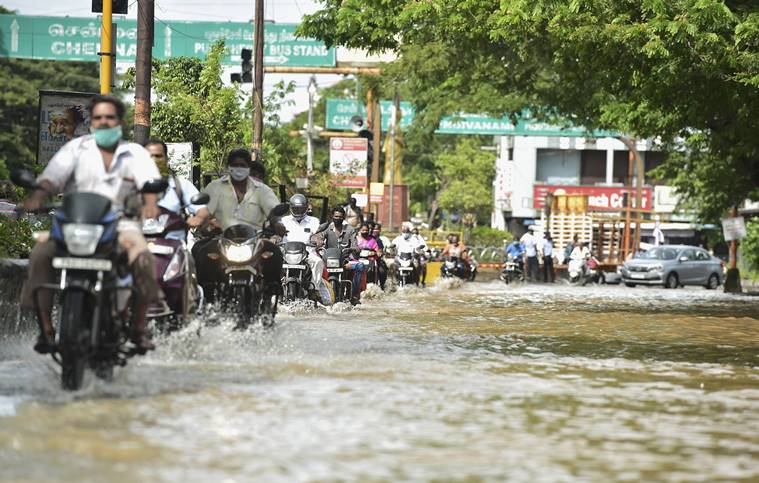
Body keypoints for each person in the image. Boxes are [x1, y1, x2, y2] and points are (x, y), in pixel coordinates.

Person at [21, 95, 162, 352]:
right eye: (98, 117)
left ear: (120, 121)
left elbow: (149, 183)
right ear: (91, 122)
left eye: (110, 117)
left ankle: (139, 328)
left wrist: (150, 202)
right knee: (41, 254)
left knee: (143, 257)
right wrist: (38, 196)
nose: (104, 122)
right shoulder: (76, 149)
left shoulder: (135, 153)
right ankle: (45, 329)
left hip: (119, 225)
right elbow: (52, 178)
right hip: (73, 224)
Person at [193, 148, 281, 299]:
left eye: (243, 165)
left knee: (275, 253)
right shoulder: (215, 187)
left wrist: (278, 225)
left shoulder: (262, 190)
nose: (239, 168)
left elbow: (273, 211)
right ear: (229, 167)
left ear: (248, 167)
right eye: (235, 165)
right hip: (222, 239)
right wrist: (201, 223)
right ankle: (204, 298)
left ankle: (269, 295)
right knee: (199, 251)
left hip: (254, 240)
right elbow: (204, 212)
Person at [144, 138, 209, 240]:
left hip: (175, 248)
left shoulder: (181, 185)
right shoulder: (132, 186)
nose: (154, 160)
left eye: (158, 156)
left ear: (166, 159)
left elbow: (202, 210)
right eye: (149, 156)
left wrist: (198, 218)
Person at [281, 194, 331, 305]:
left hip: (307, 253)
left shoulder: (313, 221)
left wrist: (318, 240)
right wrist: (274, 239)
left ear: (306, 208)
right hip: (287, 254)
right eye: (296, 208)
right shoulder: (284, 221)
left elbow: (317, 235)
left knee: (317, 261)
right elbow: (276, 234)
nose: (298, 211)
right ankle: (271, 288)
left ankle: (315, 290)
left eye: (301, 208)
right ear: (290, 208)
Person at [318, 206, 363, 303]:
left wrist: (353, 249)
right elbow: (319, 237)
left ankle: (353, 295)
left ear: (344, 218)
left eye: (340, 217)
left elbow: (355, 245)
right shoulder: (327, 228)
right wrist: (319, 242)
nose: (338, 219)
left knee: (360, 266)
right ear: (332, 217)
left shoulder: (350, 230)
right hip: (328, 261)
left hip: (345, 261)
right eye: (336, 216)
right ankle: (315, 293)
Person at [372, 223, 391, 289]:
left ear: (380, 230)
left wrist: (381, 252)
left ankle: (382, 285)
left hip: (377, 259)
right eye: (373, 229)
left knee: (382, 271)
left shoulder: (380, 240)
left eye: (376, 229)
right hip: (366, 260)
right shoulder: (367, 238)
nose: (374, 231)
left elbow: (382, 250)